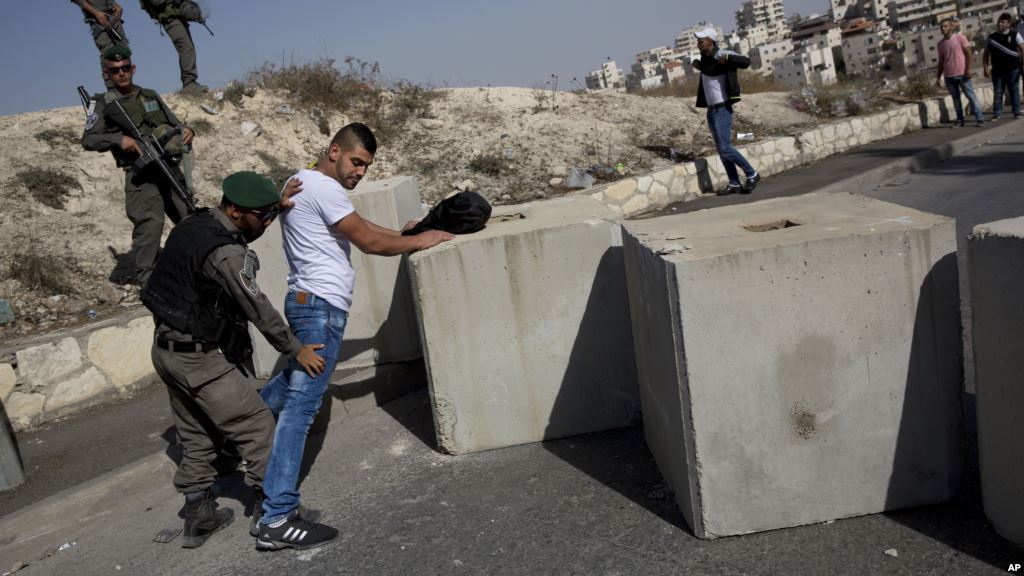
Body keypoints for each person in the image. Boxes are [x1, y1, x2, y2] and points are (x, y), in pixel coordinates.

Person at [254, 123, 454, 551]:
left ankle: (229, 435)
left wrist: (406, 233)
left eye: (366, 166)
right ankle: (277, 516)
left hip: (311, 304)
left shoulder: (304, 180)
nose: (360, 172)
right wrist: (420, 242)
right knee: (300, 409)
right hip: (319, 310)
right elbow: (366, 242)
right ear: (334, 151)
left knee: (285, 389)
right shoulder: (322, 188)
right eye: (356, 162)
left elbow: (360, 225)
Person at [141, 171, 327, 549]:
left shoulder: (195, 224)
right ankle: (274, 512)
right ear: (236, 210)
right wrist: (296, 348)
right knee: (257, 426)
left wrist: (278, 200)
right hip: (200, 361)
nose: (269, 223)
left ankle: (199, 516)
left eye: (273, 214)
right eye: (264, 217)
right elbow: (258, 308)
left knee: (196, 433)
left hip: (166, 352)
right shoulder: (227, 253)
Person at [81, 44, 194, 286]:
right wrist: (118, 139)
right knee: (149, 225)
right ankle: (148, 280)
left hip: (167, 167)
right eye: (114, 70)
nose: (121, 73)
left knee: (190, 218)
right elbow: (88, 139)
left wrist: (187, 131)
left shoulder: (150, 95)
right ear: (106, 74)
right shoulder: (102, 103)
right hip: (141, 174)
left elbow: (175, 124)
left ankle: (198, 264)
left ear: (133, 69)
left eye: (124, 68)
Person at [691, 28, 760, 196]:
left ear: (711, 41)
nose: (698, 43)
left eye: (701, 40)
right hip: (711, 110)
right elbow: (709, 71)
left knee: (726, 148)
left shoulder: (722, 54)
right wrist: (699, 66)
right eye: (698, 41)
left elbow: (745, 61)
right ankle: (734, 182)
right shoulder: (705, 60)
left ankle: (752, 173)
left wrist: (728, 58)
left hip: (722, 109)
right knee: (722, 151)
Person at [138, 0, 207, 94]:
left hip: (177, 16)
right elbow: (157, 2)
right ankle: (189, 83)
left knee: (188, 47)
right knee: (186, 47)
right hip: (169, 19)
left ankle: (190, 82)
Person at [936, 17, 985, 127]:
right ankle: (960, 120)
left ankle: (979, 118)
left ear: (951, 27)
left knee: (970, 96)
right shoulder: (940, 44)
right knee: (956, 99)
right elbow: (941, 61)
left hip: (962, 73)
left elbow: (969, 53)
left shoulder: (959, 38)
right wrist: (938, 77)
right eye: (941, 27)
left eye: (945, 26)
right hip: (949, 76)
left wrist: (969, 69)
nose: (943, 28)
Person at [70, 0, 129, 89]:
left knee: (124, 51)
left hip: (113, 14)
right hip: (98, 19)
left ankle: (126, 88)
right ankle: (113, 90)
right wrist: (96, 13)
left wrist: (115, 4)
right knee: (109, 53)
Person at [983, 12, 1024, 120]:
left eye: (1003, 22)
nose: (1000, 24)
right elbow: (985, 54)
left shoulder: (1015, 35)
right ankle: (997, 113)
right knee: (998, 91)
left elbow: (1022, 49)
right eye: (999, 22)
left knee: (1014, 90)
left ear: (1008, 24)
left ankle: (1017, 112)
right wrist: (985, 68)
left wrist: (1023, 64)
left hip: (1013, 69)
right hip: (997, 70)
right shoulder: (991, 38)